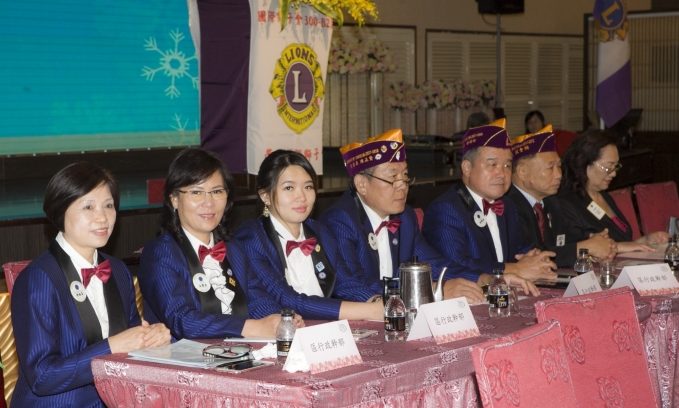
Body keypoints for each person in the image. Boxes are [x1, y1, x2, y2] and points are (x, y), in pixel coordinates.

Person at [5, 162, 171, 408]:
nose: (102, 217)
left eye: (108, 206)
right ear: (60, 212)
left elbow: (133, 343)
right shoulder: (39, 279)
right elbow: (42, 377)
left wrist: (156, 339)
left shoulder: (117, 271)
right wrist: (111, 346)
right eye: (88, 207)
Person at [319, 129, 537, 303]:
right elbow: (352, 286)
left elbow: (434, 264)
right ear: (361, 184)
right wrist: (434, 289)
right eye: (393, 178)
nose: (403, 186)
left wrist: (487, 279)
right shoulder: (340, 220)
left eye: (405, 177)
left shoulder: (405, 217)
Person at [138, 148, 301, 340]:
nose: (209, 203)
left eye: (216, 192)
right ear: (174, 199)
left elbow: (257, 299)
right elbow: (183, 320)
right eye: (196, 192)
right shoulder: (160, 253)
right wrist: (248, 327)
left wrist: (280, 319)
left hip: (237, 351)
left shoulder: (233, 249)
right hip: (185, 355)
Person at [234, 150, 384, 321]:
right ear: (265, 195)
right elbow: (288, 300)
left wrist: (377, 301)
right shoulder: (251, 239)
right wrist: (369, 311)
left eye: (308, 187)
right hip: (285, 330)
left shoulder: (320, 231)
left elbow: (346, 283)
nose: (301, 197)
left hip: (326, 328)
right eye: (289, 188)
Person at [423, 119, 557, 282]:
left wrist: (535, 259)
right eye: (492, 165)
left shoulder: (507, 205)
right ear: (467, 168)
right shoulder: (445, 209)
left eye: (507, 166)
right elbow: (456, 265)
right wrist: (513, 269)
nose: (501, 174)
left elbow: (521, 250)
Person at [508, 125, 617, 267]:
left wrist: (596, 244)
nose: (559, 175)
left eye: (559, 167)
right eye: (550, 168)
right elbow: (529, 255)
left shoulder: (551, 202)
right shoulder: (507, 205)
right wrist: (586, 247)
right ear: (522, 172)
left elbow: (570, 239)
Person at [557, 131, 669, 251]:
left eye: (615, 166)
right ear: (585, 163)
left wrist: (644, 241)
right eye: (608, 167)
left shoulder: (604, 196)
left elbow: (621, 242)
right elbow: (573, 250)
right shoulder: (567, 202)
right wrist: (619, 247)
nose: (614, 173)